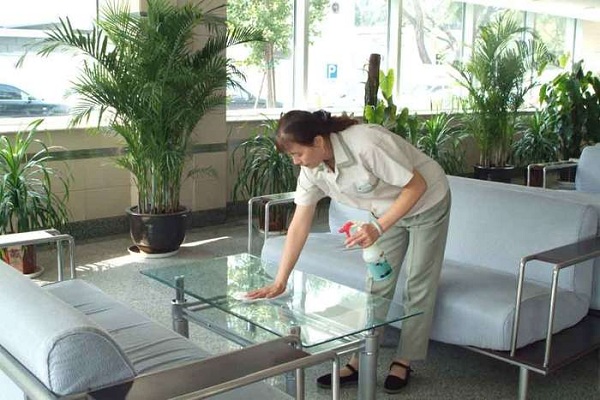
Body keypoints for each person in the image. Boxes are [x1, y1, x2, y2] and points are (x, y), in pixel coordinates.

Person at [246, 109, 451, 394]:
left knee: (418, 281)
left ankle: (404, 360)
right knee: (377, 282)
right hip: (385, 210)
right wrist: (281, 280)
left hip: (426, 202)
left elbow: (417, 185)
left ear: (318, 142)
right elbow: (299, 224)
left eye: (298, 154)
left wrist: (377, 228)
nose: (296, 161)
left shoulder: (367, 143)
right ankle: (361, 358)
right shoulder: (312, 169)